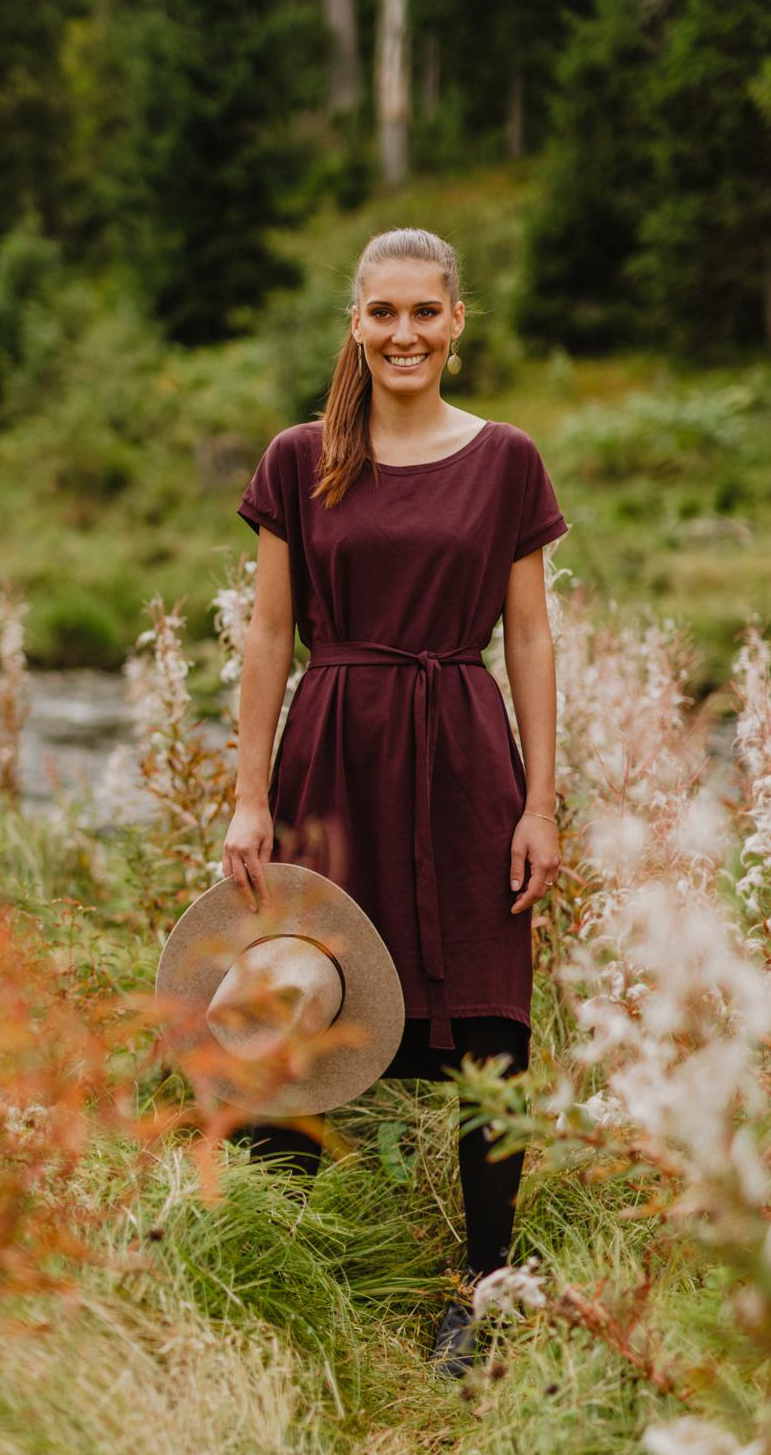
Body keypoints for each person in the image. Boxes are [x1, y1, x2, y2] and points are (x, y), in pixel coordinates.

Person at [223, 226, 567, 1373]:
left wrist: (540, 801)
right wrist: (245, 797)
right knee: (296, 1001)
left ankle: (479, 1290)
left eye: (425, 313)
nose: (403, 334)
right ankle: (284, 1270)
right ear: (354, 323)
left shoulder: (507, 458)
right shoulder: (297, 458)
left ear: (456, 322)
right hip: (330, 756)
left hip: (466, 754)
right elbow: (269, 636)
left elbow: (528, 637)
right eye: (383, 314)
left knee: (486, 1016)